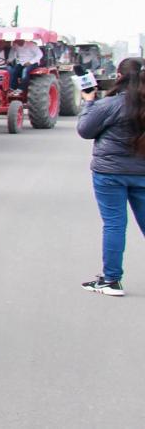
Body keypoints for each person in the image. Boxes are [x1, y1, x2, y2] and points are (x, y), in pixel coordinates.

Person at [76, 57, 145, 296]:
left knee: (115, 225)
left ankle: (111, 280)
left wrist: (89, 102)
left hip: (110, 173)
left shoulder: (110, 105)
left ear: (119, 77)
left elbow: (85, 130)